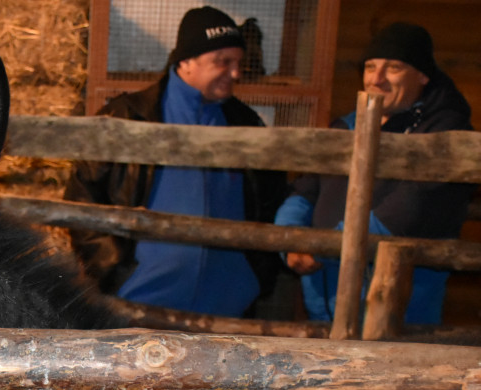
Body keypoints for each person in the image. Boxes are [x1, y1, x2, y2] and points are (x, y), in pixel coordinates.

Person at [64, 5, 287, 317]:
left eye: (238, 62)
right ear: (186, 61)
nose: (235, 73)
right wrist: (111, 268)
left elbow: (272, 203)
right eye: (222, 62)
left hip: (228, 309)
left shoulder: (247, 124)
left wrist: (255, 278)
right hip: (136, 302)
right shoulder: (127, 117)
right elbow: (82, 196)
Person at [276, 22, 475, 325]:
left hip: (397, 313)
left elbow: (408, 210)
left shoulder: (444, 135)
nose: (377, 79)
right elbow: (306, 189)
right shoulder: (344, 127)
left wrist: (323, 247)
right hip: (324, 306)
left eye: (393, 68)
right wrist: (289, 235)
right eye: (370, 67)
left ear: (422, 75)